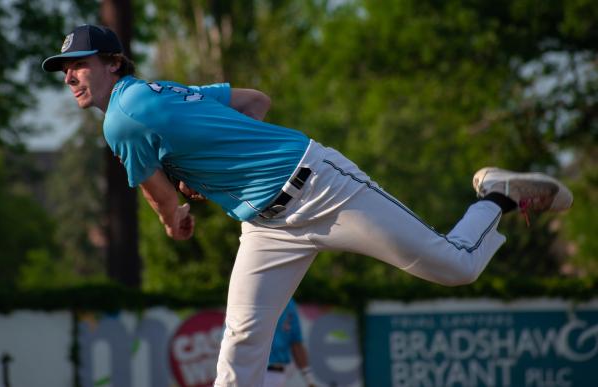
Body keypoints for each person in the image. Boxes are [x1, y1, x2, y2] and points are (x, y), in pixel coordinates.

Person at [42, 25, 573, 387]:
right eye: (63, 68)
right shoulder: (164, 91)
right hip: (267, 225)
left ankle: (498, 195)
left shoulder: (120, 119)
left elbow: (165, 206)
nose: (68, 75)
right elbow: (256, 102)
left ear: (112, 62)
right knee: (242, 340)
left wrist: (177, 216)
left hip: (321, 189)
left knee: (454, 265)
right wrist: (214, 160)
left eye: (79, 64)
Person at [265, 299, 316, 387]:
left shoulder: (290, 304)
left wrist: (309, 379)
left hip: (274, 374)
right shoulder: (255, 296)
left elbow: (296, 343)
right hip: (252, 370)